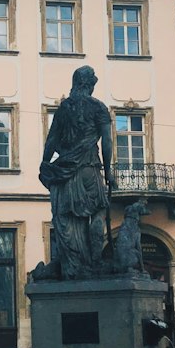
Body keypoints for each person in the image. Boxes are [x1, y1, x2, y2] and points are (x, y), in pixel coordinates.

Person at [39, 66, 114, 280]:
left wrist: (45, 163)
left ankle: (73, 265)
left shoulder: (65, 108)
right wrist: (108, 172)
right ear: (89, 84)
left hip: (66, 172)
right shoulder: (98, 107)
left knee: (69, 220)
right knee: (97, 214)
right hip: (90, 167)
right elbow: (107, 142)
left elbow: (52, 140)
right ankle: (95, 262)